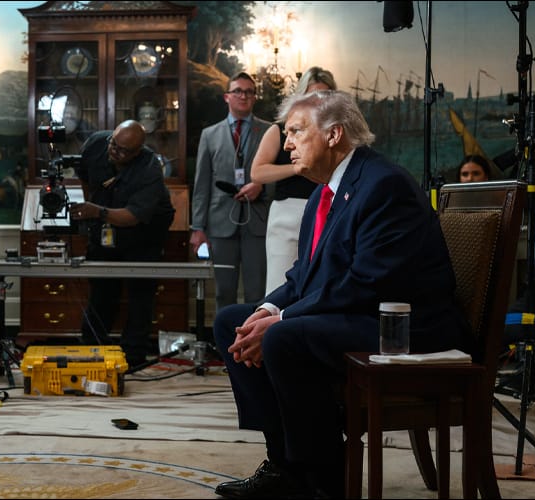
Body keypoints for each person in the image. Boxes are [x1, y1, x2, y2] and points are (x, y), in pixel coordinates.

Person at [212, 90, 466, 499]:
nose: (287, 144)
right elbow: (303, 276)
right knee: (233, 322)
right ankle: (285, 465)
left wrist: (282, 320)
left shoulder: (383, 185)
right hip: (358, 313)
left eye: (296, 131)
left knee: (283, 337)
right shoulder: (322, 192)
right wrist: (267, 308)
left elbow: (368, 282)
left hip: (403, 328)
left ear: (333, 135)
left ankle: (325, 479)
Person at [69, 120, 176, 367]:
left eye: (123, 150)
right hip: (105, 223)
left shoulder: (150, 168)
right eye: (113, 144)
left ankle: (133, 356)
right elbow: (85, 177)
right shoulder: (97, 143)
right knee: (102, 290)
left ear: (137, 152)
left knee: (140, 294)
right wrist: (92, 208)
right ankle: (91, 349)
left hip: (145, 230)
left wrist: (97, 211)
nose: (114, 151)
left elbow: (132, 216)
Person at [250, 66, 338, 296]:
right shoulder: (280, 130)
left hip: (328, 212)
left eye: (325, 95)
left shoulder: (336, 133)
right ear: (301, 96)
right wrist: (296, 168)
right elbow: (257, 173)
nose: (318, 101)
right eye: (312, 95)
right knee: (279, 286)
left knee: (321, 287)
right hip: (287, 215)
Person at [190, 72, 272, 311]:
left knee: (257, 292)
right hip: (220, 223)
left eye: (249, 92)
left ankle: (252, 336)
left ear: (254, 97)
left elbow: (278, 174)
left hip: (257, 222)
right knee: (223, 292)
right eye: (238, 91)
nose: (243, 96)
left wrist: (261, 186)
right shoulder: (210, 135)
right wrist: (198, 227)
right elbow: (201, 185)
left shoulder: (269, 132)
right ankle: (226, 336)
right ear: (227, 97)